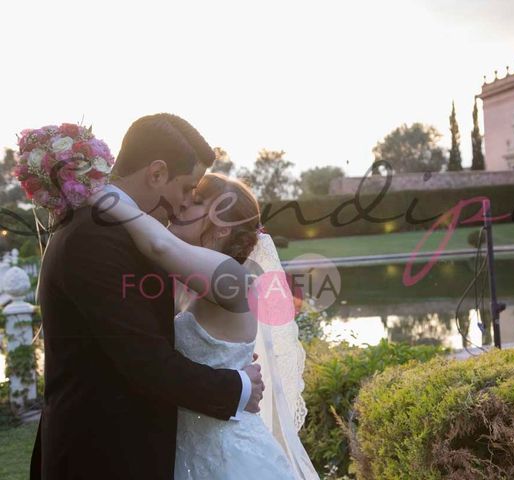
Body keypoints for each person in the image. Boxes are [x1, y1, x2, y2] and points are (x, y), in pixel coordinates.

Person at [29, 114, 264, 480]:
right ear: (156, 174)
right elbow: (145, 361)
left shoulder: (114, 228)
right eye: (187, 188)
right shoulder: (97, 236)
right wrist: (237, 386)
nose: (184, 203)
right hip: (101, 457)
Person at [90, 172, 319, 479]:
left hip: (231, 458)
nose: (182, 203)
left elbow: (160, 245)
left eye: (196, 201)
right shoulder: (186, 279)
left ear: (222, 227)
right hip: (188, 451)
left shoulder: (232, 278)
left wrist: (101, 194)